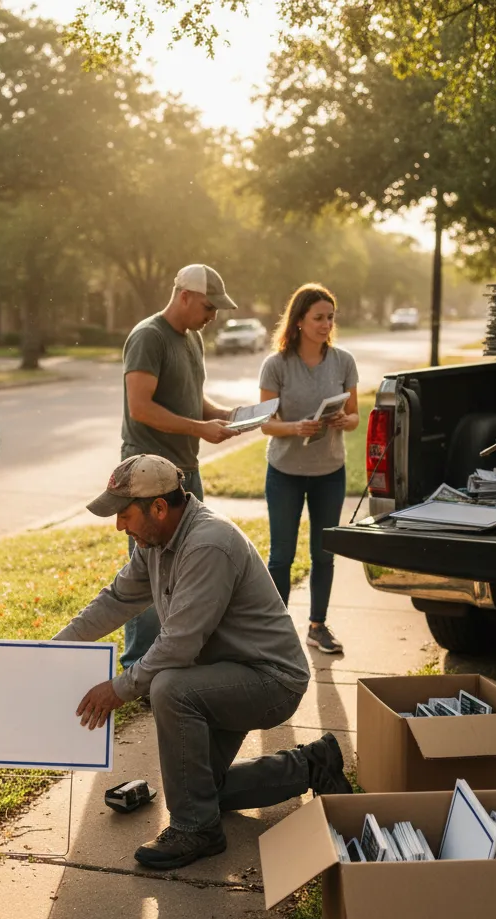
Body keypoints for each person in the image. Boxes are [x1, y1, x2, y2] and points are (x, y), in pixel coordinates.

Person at [54, 454, 352, 871]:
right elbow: (116, 600)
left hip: (271, 680)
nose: (119, 525)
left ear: (158, 507)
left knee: (169, 688)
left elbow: (177, 645)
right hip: (226, 674)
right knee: (201, 788)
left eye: (124, 514)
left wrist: (117, 689)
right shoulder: (155, 543)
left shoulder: (207, 543)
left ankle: (197, 830)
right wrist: (50, 651)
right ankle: (312, 764)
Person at [120, 264, 242, 671]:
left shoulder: (193, 339)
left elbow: (190, 398)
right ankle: (138, 665)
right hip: (146, 479)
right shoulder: (148, 337)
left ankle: (172, 660)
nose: (213, 316)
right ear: (184, 296)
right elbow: (141, 407)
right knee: (148, 574)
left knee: (191, 569)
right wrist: (199, 428)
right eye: (209, 307)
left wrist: (223, 416)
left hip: (186, 472)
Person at [259, 284, 359, 655]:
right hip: (284, 470)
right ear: (299, 321)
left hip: (329, 472)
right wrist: (296, 427)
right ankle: (276, 632)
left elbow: (354, 417)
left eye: (330, 317)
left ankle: (318, 626)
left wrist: (342, 421)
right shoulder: (276, 365)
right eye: (318, 317)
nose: (326, 324)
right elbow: (266, 424)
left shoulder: (343, 361)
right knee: (282, 554)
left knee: (324, 554)